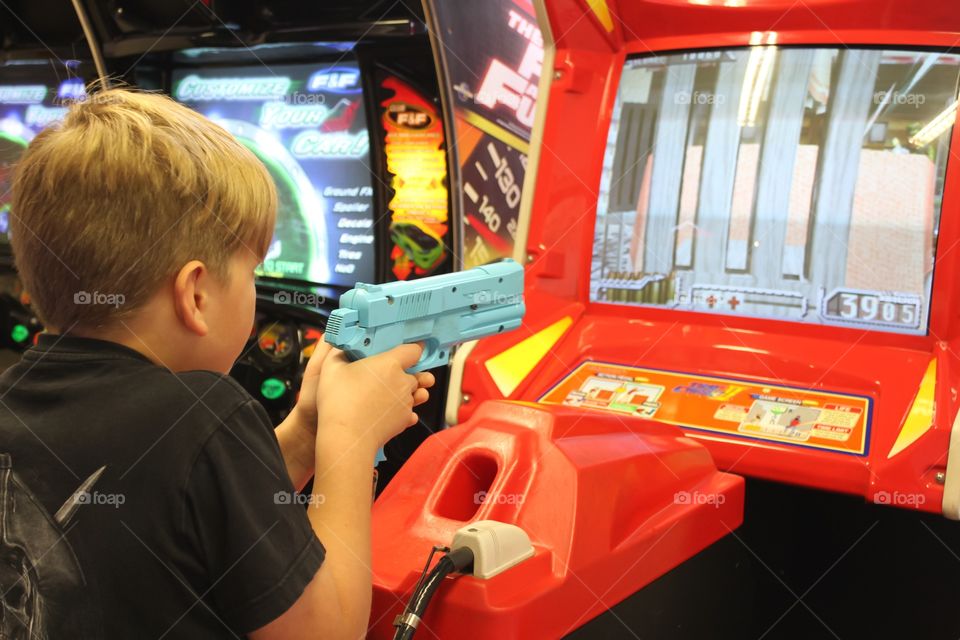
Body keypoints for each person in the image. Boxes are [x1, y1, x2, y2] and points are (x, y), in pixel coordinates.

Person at [0, 87, 432, 639]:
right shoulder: (205, 411)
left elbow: (182, 507)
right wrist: (352, 441)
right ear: (196, 295)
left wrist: (304, 435)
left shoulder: (16, 403)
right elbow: (329, 632)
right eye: (254, 271)